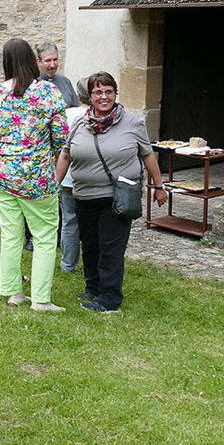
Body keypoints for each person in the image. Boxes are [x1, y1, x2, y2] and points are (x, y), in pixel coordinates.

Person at [55, 71, 168, 313]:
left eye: (108, 92)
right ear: (90, 96)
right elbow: (65, 154)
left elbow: (148, 155)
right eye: (98, 92)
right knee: (91, 245)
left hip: (116, 197)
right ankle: (93, 288)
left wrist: (159, 187)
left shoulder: (132, 122)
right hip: (84, 195)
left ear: (115, 94)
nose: (103, 97)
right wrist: (54, 184)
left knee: (110, 247)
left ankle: (110, 299)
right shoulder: (80, 123)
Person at [0, 38, 68, 312]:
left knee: (10, 233)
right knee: (44, 236)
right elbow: (61, 135)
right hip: (36, 176)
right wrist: (44, 154)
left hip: (2, 174)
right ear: (33, 59)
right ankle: (40, 299)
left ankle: (12, 292)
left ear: (6, 61)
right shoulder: (47, 92)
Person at [59, 77, 90, 272]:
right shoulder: (101, 114)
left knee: (69, 221)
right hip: (93, 180)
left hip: (68, 177)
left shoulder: (67, 114)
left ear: (78, 96)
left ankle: (68, 264)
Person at [36, 42, 79, 108]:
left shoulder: (65, 81)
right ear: (39, 62)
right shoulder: (33, 84)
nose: (53, 65)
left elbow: (75, 107)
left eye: (55, 59)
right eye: (48, 60)